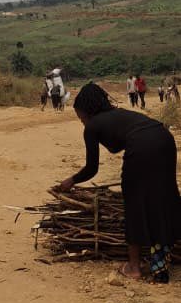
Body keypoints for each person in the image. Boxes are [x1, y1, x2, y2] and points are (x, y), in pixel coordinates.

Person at [55, 82, 180, 283]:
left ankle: (133, 267)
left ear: (86, 112)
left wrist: (72, 180)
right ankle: (159, 263)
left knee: (134, 202)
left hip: (141, 146)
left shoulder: (92, 126)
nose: (82, 123)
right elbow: (116, 146)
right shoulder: (118, 115)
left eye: (81, 118)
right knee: (163, 197)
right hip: (165, 139)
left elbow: (92, 168)